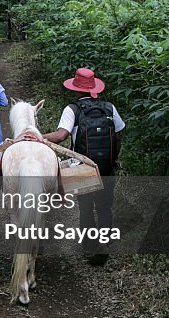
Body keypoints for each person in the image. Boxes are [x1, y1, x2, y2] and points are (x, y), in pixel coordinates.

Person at [42, 68, 125, 265]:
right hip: (106, 165)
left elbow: (61, 136)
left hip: (83, 166)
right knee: (105, 207)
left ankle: (89, 247)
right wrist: (113, 158)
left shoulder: (73, 109)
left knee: (86, 208)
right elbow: (119, 133)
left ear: (76, 90)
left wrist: (38, 136)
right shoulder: (109, 107)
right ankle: (104, 244)